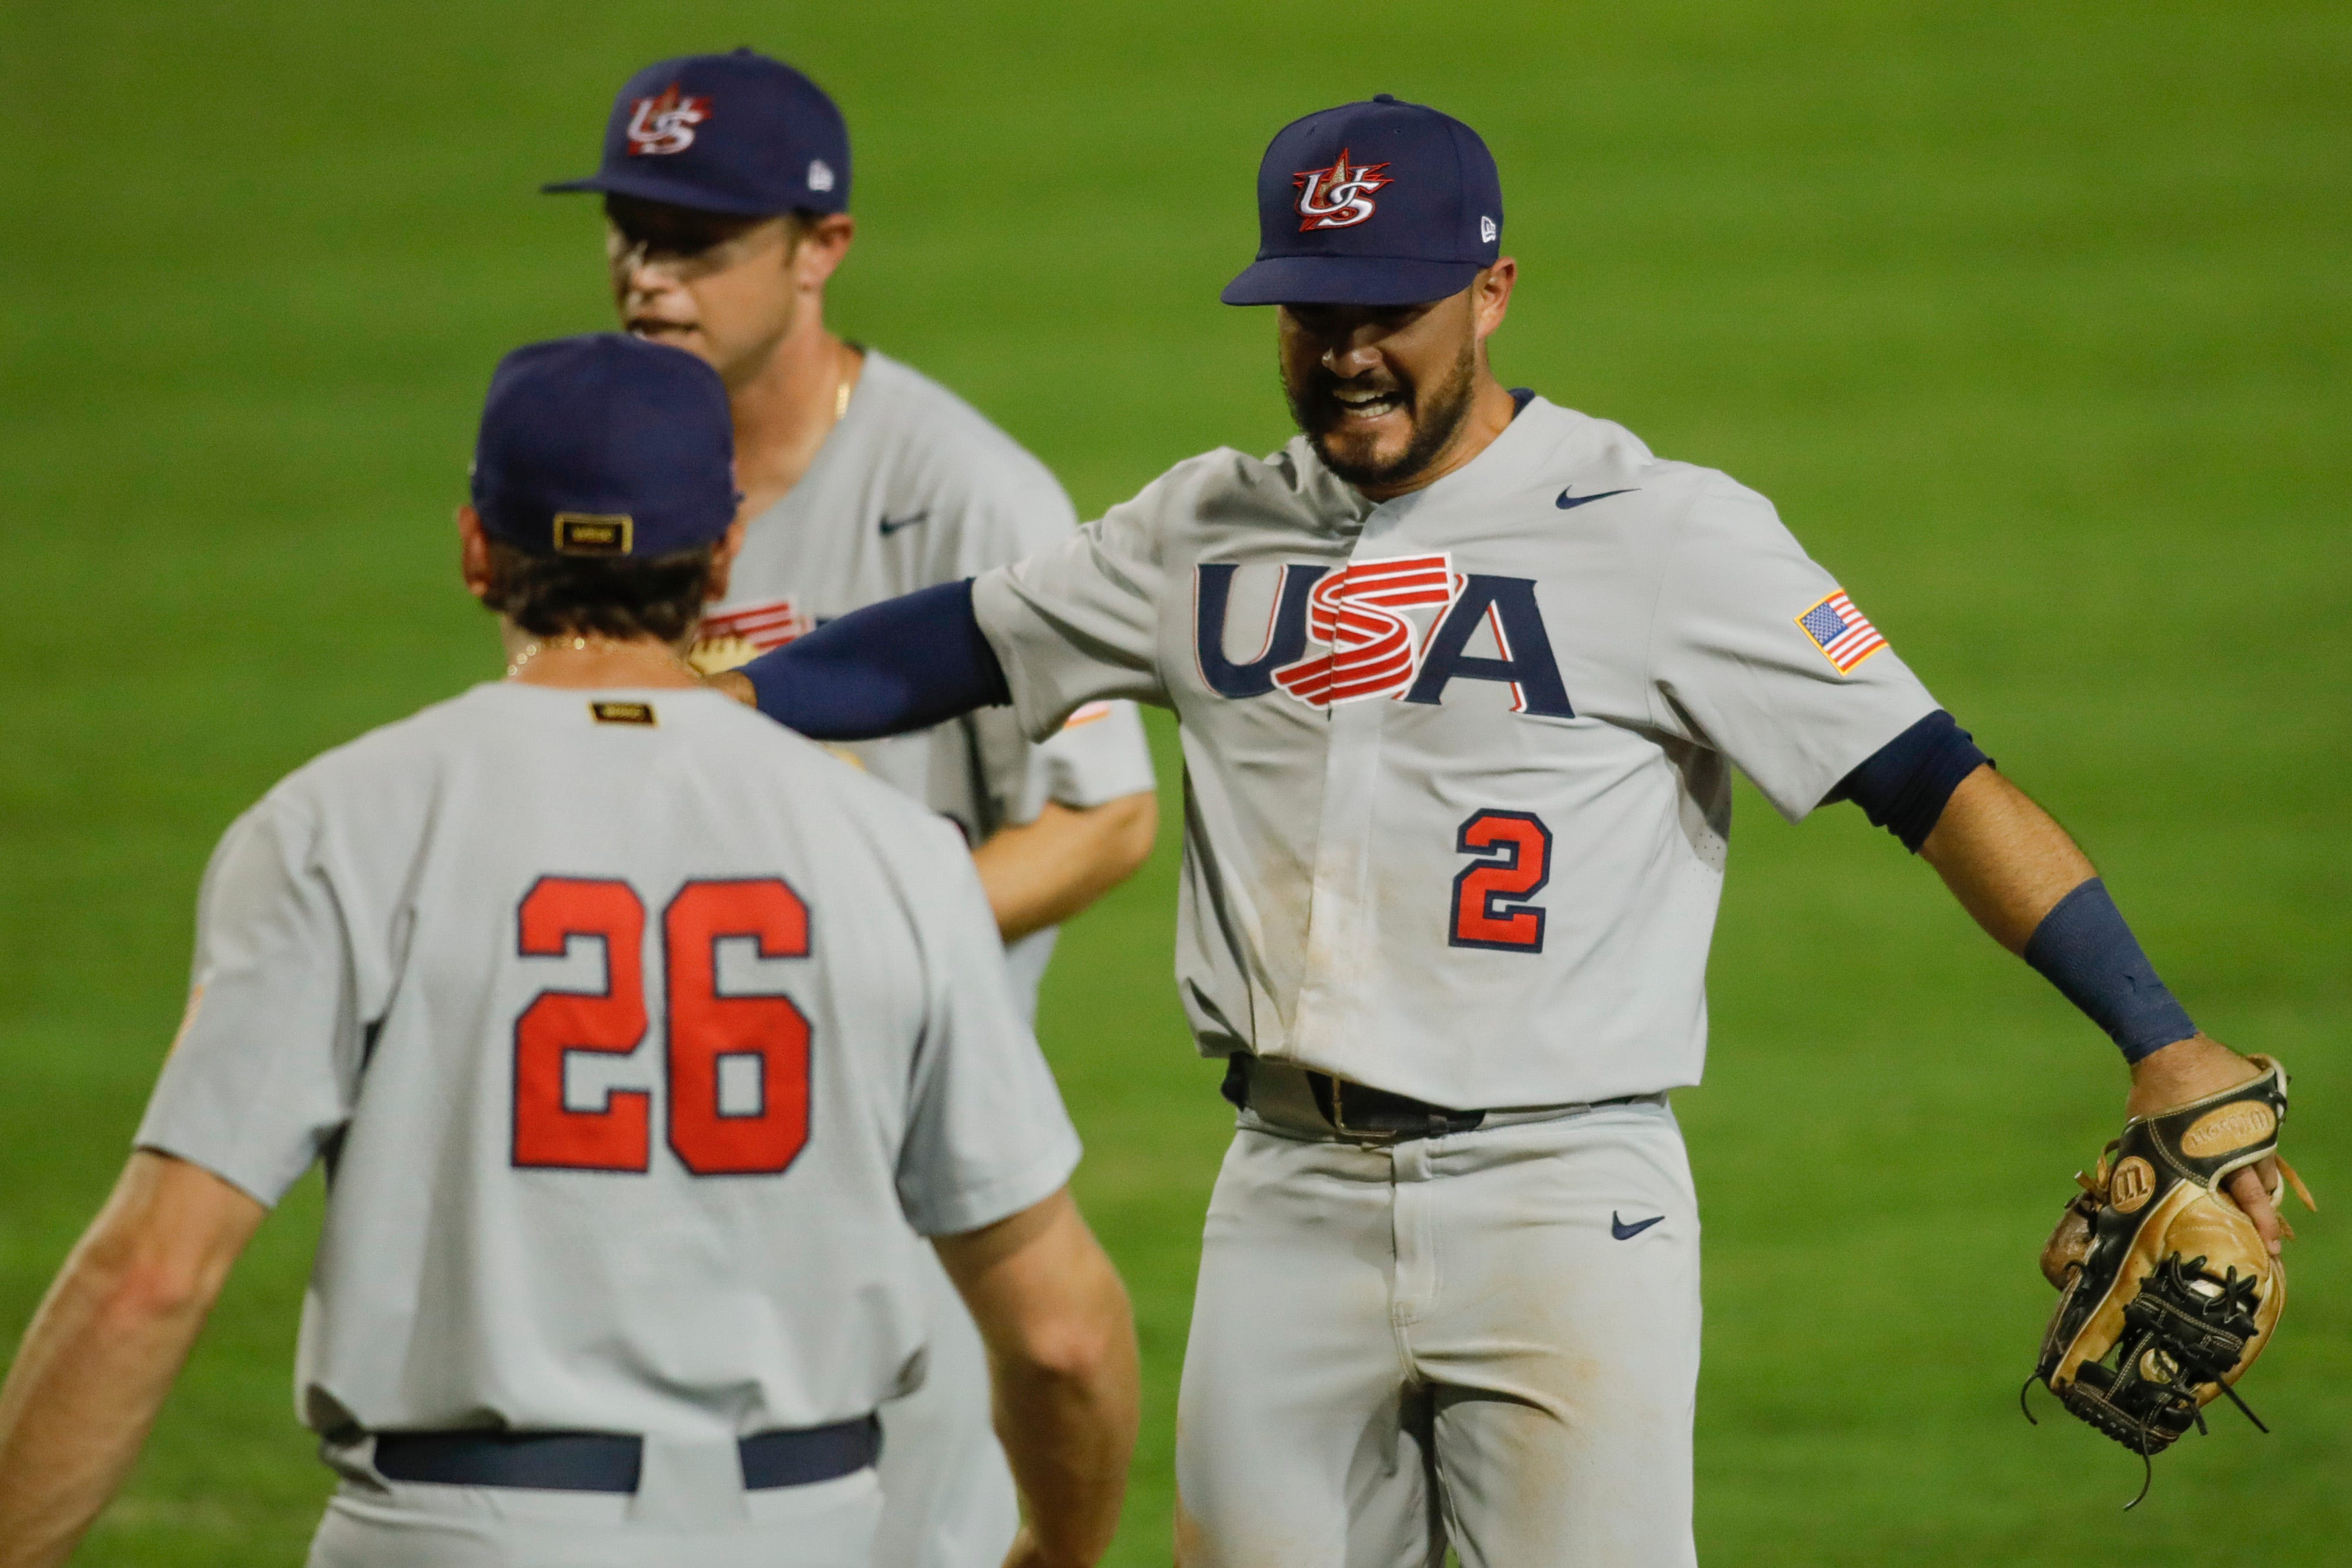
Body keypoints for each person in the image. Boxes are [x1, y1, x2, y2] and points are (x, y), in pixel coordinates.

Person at [709, 96, 2295, 1566]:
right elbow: (951, 645)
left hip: (1562, 1203)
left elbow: (1931, 777)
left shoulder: (1665, 532)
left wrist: (2156, 1034)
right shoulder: (1200, 528)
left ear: (1491, 293)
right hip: (1284, 1196)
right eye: (1312, 316)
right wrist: (679, 695)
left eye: (1384, 313)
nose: (1346, 355)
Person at [0, 334, 1138, 1568]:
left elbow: (150, 1279)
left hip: (449, 1532)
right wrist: (1061, 1552)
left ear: (478, 549)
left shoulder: (341, 825)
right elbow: (1061, 1333)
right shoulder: (897, 854)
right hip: (800, 1530)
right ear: (722, 555)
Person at [541, 54, 1159, 1568]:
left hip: (899, 1170)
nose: (647, 276)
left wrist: (852, 938)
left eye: (696, 241)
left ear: (821, 251)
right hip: (636, 1150)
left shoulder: (966, 494)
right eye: (629, 231)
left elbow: (1106, 818)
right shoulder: (605, 469)